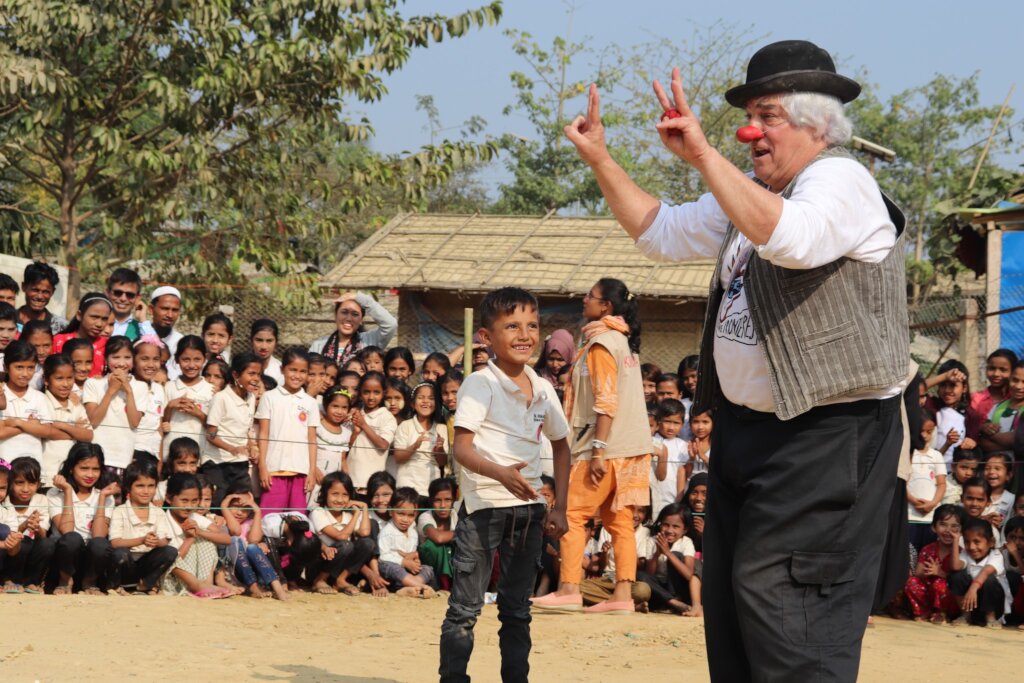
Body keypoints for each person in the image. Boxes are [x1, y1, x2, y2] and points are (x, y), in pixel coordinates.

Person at [564, 40, 908, 680]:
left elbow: (792, 238)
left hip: (828, 436)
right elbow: (658, 233)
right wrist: (602, 159)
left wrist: (702, 155)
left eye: (768, 114)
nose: (751, 130)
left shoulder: (842, 179)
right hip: (748, 433)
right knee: (730, 600)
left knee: (787, 602)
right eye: (748, 114)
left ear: (818, 122)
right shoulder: (750, 190)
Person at [439, 287, 570, 683]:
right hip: (484, 510)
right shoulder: (481, 383)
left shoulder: (543, 387)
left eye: (531, 325)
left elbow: (562, 447)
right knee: (465, 608)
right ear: (485, 337)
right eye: (511, 326)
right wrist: (500, 474)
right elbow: (461, 447)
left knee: (517, 610)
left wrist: (560, 506)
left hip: (530, 512)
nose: (524, 335)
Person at [533, 278, 652, 615]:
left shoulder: (602, 344)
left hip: (604, 448)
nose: (584, 299)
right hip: (630, 449)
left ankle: (569, 588)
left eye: (591, 296)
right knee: (620, 521)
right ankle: (623, 596)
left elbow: (605, 401)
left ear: (606, 307)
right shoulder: (622, 342)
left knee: (571, 512)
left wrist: (598, 449)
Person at [255, 347, 319, 514]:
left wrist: (311, 472)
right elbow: (263, 434)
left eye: (303, 371)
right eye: (293, 370)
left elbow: (312, 440)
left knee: (297, 520)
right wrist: (262, 467)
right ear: (282, 369)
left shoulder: (310, 402)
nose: (297, 376)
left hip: (300, 471)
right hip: (273, 469)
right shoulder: (269, 397)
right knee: (269, 519)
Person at [47, 442, 115, 594]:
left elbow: (99, 535)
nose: (90, 475)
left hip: (91, 561)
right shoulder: (55, 493)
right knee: (72, 539)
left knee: (100, 544)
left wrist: (103, 498)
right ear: (71, 468)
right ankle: (64, 581)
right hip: (64, 558)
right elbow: (66, 530)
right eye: (84, 468)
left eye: (95, 469)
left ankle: (89, 583)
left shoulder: (105, 496)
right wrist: (68, 491)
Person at [106, 460, 177, 595]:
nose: (146, 491)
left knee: (170, 551)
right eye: (140, 486)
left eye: (151, 486)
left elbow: (164, 540)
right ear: (128, 487)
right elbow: (115, 542)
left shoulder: (158, 512)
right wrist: (142, 540)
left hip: (147, 562)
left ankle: (146, 584)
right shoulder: (119, 511)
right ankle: (115, 586)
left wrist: (156, 542)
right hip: (126, 562)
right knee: (120, 554)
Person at [202, 352, 261, 506]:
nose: (256, 378)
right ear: (236, 374)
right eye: (251, 373)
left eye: (258, 374)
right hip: (217, 464)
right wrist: (232, 448)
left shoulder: (251, 397)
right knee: (216, 504)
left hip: (240, 465)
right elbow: (211, 435)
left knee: (240, 505)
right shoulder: (221, 398)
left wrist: (252, 446)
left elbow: (247, 428)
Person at [83, 336, 142, 478]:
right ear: (106, 359)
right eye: (115, 357)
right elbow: (94, 420)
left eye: (127, 357)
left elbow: (134, 422)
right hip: (97, 459)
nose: (122, 363)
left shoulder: (140, 387)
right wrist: (111, 391)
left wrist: (128, 390)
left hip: (124, 458)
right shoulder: (93, 384)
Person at [309, 471, 373, 594]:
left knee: (368, 543)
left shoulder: (347, 515)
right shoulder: (318, 512)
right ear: (325, 494)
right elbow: (341, 536)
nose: (340, 500)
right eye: (335, 494)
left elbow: (365, 533)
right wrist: (356, 515)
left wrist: (364, 508)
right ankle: (319, 580)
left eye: (345, 495)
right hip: (321, 563)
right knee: (345, 544)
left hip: (340, 566)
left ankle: (341, 580)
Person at [903, 504, 965, 624]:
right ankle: (923, 611)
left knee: (939, 584)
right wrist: (927, 572)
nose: (948, 531)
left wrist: (940, 573)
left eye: (954, 526)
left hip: (949, 598)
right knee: (911, 582)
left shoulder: (961, 552)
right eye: (943, 525)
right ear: (933, 528)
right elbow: (918, 572)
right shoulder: (928, 549)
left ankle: (941, 613)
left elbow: (959, 581)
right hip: (928, 593)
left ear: (961, 531)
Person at [1, 457, 55, 594]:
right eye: (19, 483)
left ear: (38, 484)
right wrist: (24, 526)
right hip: (9, 550)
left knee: (47, 544)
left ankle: (32, 581)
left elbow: (43, 534)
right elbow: (10, 533)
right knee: (19, 539)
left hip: (31, 549)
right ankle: (9, 579)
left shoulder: (41, 500)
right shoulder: (5, 499)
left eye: (31, 483)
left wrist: (36, 527)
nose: (25, 489)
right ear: (10, 483)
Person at [40, 355, 93, 487]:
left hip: (70, 478)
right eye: (59, 378)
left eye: (69, 378)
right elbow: (45, 431)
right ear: (46, 380)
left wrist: (64, 426)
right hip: (46, 475)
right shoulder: (40, 401)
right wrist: (76, 430)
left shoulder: (76, 405)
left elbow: (88, 435)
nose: (65, 384)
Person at [309, 292, 397, 367]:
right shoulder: (319, 345)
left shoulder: (369, 341)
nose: (349, 318)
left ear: (361, 320)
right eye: (344, 312)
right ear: (336, 315)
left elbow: (390, 324)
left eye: (355, 314)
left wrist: (359, 297)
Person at [950, 518, 1011, 627]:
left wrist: (973, 588)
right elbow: (955, 566)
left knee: (989, 580)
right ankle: (965, 615)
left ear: (991, 542)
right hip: (972, 604)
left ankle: (990, 618)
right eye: (967, 542)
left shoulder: (996, 555)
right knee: (957, 576)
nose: (972, 547)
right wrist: (955, 540)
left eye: (977, 542)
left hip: (995, 606)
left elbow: (986, 571)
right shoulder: (965, 553)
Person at [162, 336, 214, 462]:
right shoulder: (168, 387)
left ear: (205, 358)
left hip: (199, 455)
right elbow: (161, 423)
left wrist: (198, 413)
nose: (191, 365)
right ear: (177, 359)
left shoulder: (211, 391)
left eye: (197, 359)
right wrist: (170, 407)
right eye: (186, 359)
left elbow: (215, 428)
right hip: (170, 454)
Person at [391, 381, 447, 496]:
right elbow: (398, 458)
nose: (426, 401)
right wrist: (415, 446)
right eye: (421, 398)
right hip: (407, 485)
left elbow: (442, 463)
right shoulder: (405, 426)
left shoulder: (441, 428)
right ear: (412, 404)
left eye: (431, 398)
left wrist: (439, 449)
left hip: (431, 487)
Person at [378, 486, 436, 596]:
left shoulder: (413, 530)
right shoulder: (387, 531)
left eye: (411, 515)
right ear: (390, 511)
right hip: (392, 570)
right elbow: (383, 556)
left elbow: (412, 553)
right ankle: (421, 587)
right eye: (401, 514)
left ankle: (408, 588)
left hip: (408, 572)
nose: (405, 520)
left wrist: (414, 560)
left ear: (416, 514)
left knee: (428, 569)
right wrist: (404, 562)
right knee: (393, 568)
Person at [348, 371, 397, 492]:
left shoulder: (387, 417)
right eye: (366, 392)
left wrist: (364, 425)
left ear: (383, 393)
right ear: (360, 393)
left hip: (372, 483)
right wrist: (356, 431)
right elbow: (346, 446)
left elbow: (383, 445)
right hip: (350, 478)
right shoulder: (354, 413)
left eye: (376, 392)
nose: (371, 397)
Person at [907, 411, 947, 550]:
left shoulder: (936, 455)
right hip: (910, 515)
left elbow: (941, 484)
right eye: (921, 431)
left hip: (931, 518)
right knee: (910, 554)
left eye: (929, 431)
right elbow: (902, 484)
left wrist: (933, 503)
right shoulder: (907, 454)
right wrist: (914, 501)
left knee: (928, 554)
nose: (924, 435)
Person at [308, 386, 353, 508]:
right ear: (326, 405)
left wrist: (347, 480)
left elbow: (342, 459)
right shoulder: (317, 427)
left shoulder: (346, 432)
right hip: (316, 479)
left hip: (335, 485)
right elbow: (308, 451)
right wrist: (314, 470)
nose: (339, 411)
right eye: (335, 406)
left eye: (344, 408)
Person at [418, 477, 458, 590]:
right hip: (431, 568)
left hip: (455, 565)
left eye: (448, 500)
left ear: (454, 500)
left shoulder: (456, 514)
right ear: (431, 501)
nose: (443, 505)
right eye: (437, 500)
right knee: (435, 546)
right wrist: (462, 533)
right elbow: (438, 538)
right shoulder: (425, 516)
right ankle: (444, 586)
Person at [139, 286, 184, 378]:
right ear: (151, 309)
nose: (170, 315)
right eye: (164, 308)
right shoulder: (139, 336)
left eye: (175, 310)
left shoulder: (181, 342)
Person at [18, 261, 66, 334]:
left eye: (45, 292)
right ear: (24, 287)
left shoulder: (61, 327)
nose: (39, 297)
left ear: (52, 292)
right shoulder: (7, 321)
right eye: (35, 290)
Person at [105, 268, 144, 341]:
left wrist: (143, 319)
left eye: (130, 295)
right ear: (107, 292)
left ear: (138, 298)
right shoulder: (96, 324)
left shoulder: (142, 329)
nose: (123, 299)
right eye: (118, 293)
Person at [249, 318, 283, 385]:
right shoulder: (241, 367)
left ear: (276, 342)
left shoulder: (280, 371)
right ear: (251, 341)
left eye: (269, 341)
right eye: (259, 340)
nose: (264, 346)